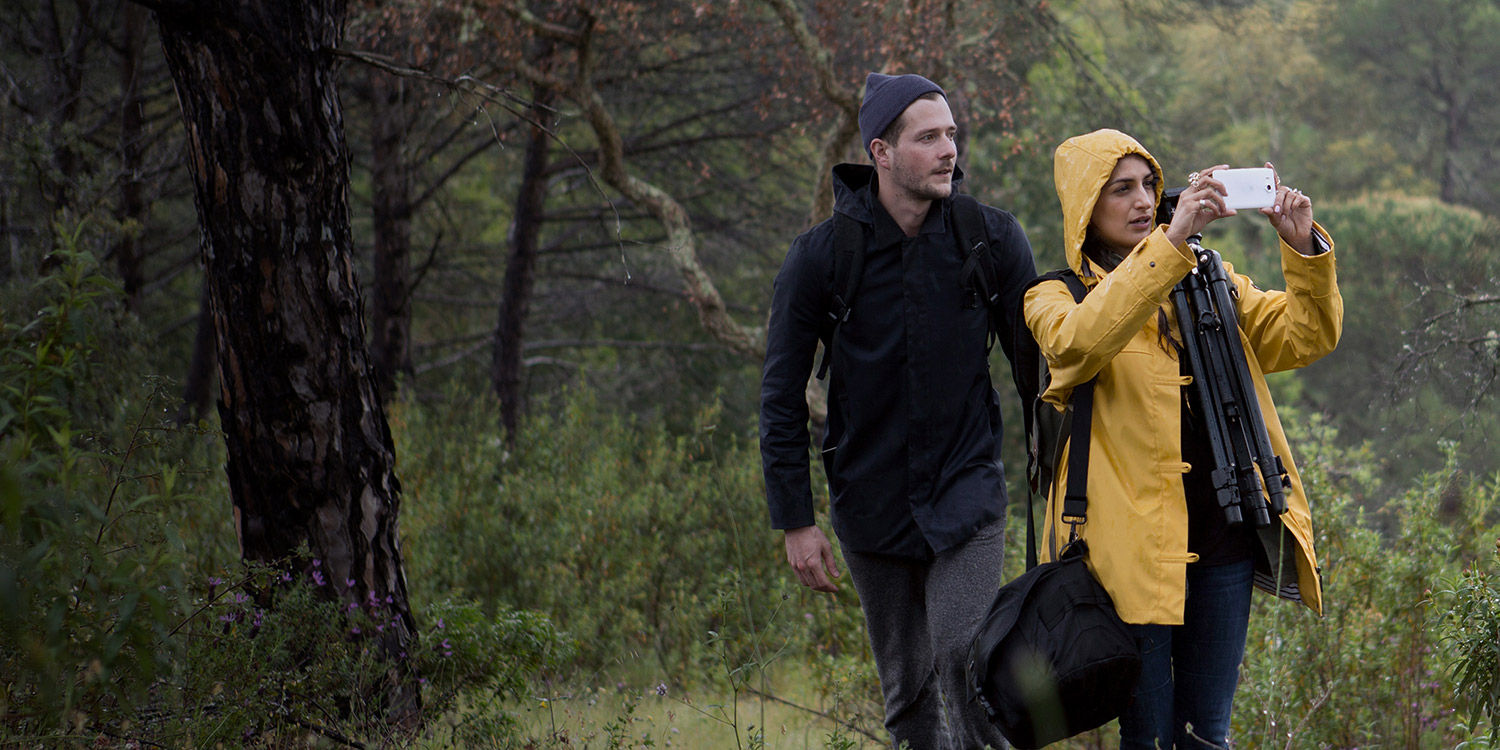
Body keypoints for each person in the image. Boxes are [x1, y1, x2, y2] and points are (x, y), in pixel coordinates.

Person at [1023, 128, 1342, 749]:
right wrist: (1170, 243)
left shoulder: (1209, 277)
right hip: (1125, 557)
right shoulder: (1054, 296)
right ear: (1086, 206)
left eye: (1150, 185)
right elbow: (1081, 342)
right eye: (1122, 190)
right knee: (1148, 736)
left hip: (1223, 540)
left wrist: (1302, 246)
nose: (1143, 200)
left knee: (1207, 735)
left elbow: (1306, 337)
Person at [760, 72, 1036, 750]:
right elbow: (779, 394)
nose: (949, 150)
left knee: (964, 659)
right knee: (907, 696)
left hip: (967, 494)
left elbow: (1043, 375)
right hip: (869, 504)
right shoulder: (822, 257)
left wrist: (1066, 485)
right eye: (928, 138)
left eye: (952, 135)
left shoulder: (990, 240)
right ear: (881, 151)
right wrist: (796, 520)